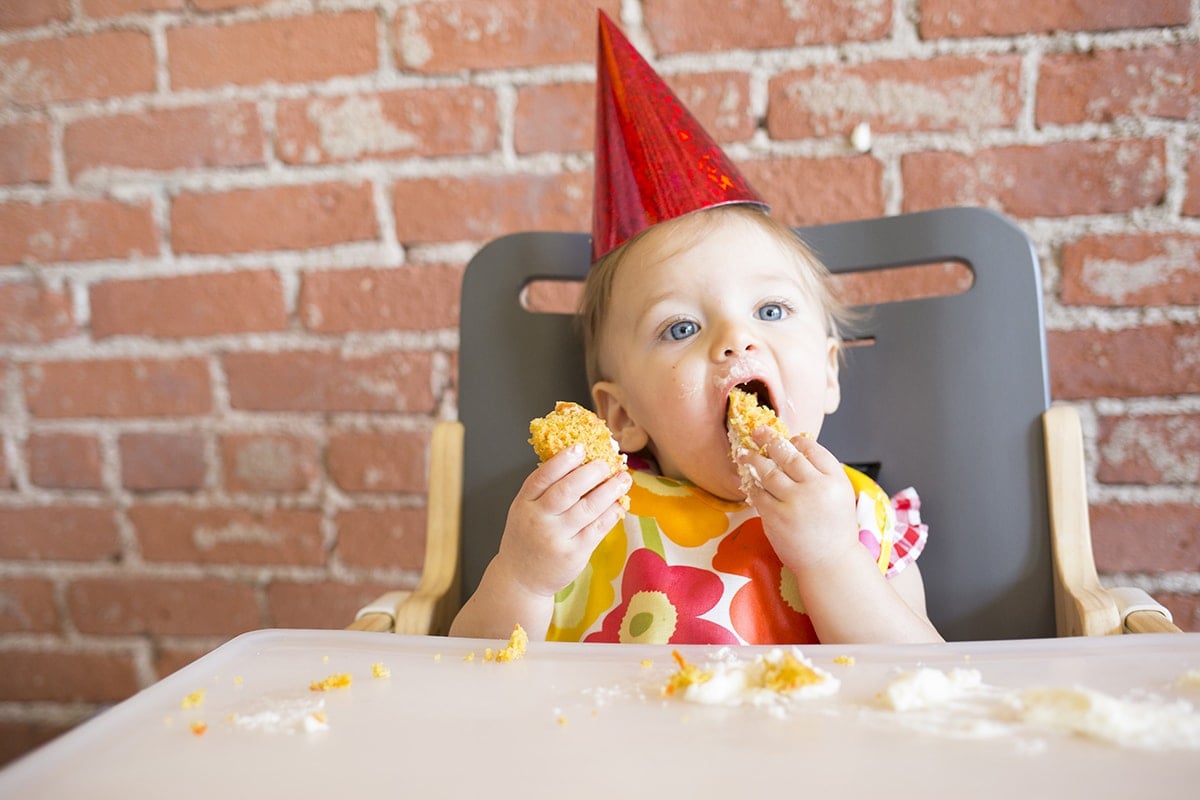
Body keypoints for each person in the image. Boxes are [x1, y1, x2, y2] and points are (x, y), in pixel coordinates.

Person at [449, 12, 942, 645]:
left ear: (826, 372)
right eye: (680, 328)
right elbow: (470, 677)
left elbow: (926, 677)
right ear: (619, 417)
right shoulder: (587, 520)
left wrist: (832, 558)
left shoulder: (863, 517)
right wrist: (524, 578)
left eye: (769, 311)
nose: (736, 340)